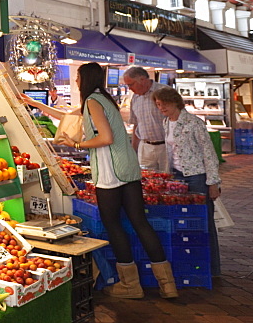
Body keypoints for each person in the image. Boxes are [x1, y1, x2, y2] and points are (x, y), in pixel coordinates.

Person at [21, 62, 177, 299]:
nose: (75, 82)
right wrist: (34, 104)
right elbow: (68, 117)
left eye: (77, 79)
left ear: (85, 79)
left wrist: (75, 144)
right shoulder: (101, 99)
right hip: (128, 167)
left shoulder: (93, 101)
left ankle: (130, 285)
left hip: (110, 170)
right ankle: (168, 285)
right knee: (140, 222)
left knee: (113, 224)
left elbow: (105, 137)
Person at [152, 87, 222, 277]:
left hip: (197, 176)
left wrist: (213, 182)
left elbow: (209, 154)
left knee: (203, 220)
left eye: (164, 103)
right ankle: (189, 262)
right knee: (183, 220)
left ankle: (212, 268)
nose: (161, 107)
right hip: (177, 176)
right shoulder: (166, 123)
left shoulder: (193, 123)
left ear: (175, 101)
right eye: (158, 104)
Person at [122, 66, 169, 172]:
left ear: (142, 80)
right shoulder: (135, 98)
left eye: (131, 84)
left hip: (166, 147)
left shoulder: (164, 92)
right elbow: (136, 124)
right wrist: (133, 150)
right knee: (147, 181)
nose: (129, 88)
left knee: (168, 180)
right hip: (145, 148)